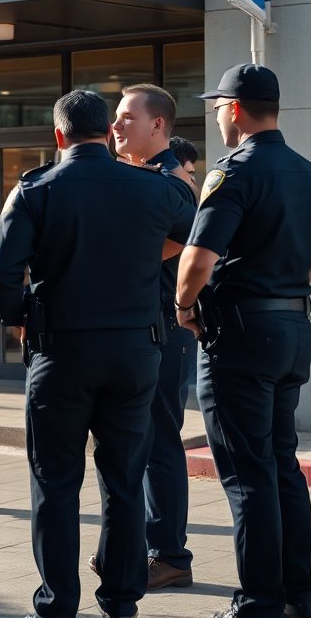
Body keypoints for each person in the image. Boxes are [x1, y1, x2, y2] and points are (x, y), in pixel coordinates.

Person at [0, 90, 195, 618]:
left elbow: (1, 276)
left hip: (62, 353)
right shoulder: (154, 187)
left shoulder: (36, 189)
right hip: (134, 352)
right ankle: (122, 601)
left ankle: (59, 603)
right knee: (124, 479)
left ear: (59, 136)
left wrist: (20, 314)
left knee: (56, 483)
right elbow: (192, 228)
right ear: (107, 133)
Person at [176, 64, 311, 618]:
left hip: (241, 335)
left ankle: (257, 600)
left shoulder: (234, 172)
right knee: (281, 464)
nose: (215, 115)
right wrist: (285, 279)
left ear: (234, 109)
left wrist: (183, 308)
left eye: (217, 106)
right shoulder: (310, 173)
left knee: (247, 472)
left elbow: (198, 259)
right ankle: (297, 593)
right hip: (292, 329)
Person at [106, 84, 200, 591]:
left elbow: (192, 239)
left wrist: (127, 263)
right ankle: (140, 547)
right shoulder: (138, 177)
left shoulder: (172, 182)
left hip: (167, 329)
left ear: (157, 126)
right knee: (137, 442)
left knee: (160, 441)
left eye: (126, 117)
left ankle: (169, 555)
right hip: (142, 329)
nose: (116, 126)